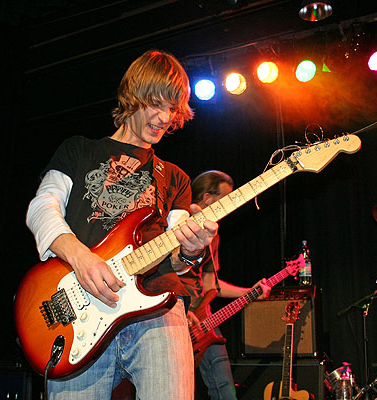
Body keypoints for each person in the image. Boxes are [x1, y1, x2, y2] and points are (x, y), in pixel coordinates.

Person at [25, 50, 218, 399]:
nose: (164, 118)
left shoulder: (175, 177)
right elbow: (42, 209)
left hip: (156, 308)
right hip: (78, 311)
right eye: (156, 104)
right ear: (133, 95)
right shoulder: (79, 150)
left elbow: (177, 259)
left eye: (172, 109)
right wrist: (81, 258)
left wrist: (191, 251)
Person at [179, 170, 271, 400]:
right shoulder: (180, 223)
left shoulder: (214, 236)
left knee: (225, 389)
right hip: (177, 317)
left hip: (204, 321)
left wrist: (250, 292)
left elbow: (211, 284)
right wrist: (181, 310)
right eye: (225, 198)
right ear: (207, 198)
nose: (231, 204)